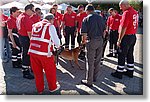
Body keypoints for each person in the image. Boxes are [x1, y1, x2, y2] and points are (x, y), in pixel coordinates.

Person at [28, 13, 60, 94]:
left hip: (33, 52)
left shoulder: (35, 25)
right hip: (44, 53)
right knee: (50, 71)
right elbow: (57, 42)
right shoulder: (50, 26)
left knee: (37, 72)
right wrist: (57, 46)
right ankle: (53, 88)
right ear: (51, 19)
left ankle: (40, 89)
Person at [111, 0, 138, 79]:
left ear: (125, 5)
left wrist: (119, 39)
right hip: (133, 36)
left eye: (121, 6)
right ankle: (130, 71)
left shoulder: (126, 13)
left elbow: (124, 27)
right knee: (130, 54)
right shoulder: (135, 12)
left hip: (126, 37)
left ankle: (119, 72)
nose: (120, 8)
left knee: (121, 54)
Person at [81, 4, 105, 87]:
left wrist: (83, 42)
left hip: (92, 41)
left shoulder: (86, 18)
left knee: (90, 62)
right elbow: (104, 30)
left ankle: (89, 81)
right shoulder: (101, 17)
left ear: (87, 10)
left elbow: (84, 33)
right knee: (98, 60)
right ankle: (95, 78)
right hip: (100, 40)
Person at [16, 4, 35, 79]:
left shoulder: (20, 16)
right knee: (27, 55)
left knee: (24, 53)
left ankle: (26, 69)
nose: (33, 13)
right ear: (28, 10)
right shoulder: (26, 18)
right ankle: (26, 72)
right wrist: (32, 42)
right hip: (25, 38)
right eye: (33, 11)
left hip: (21, 36)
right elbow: (29, 33)